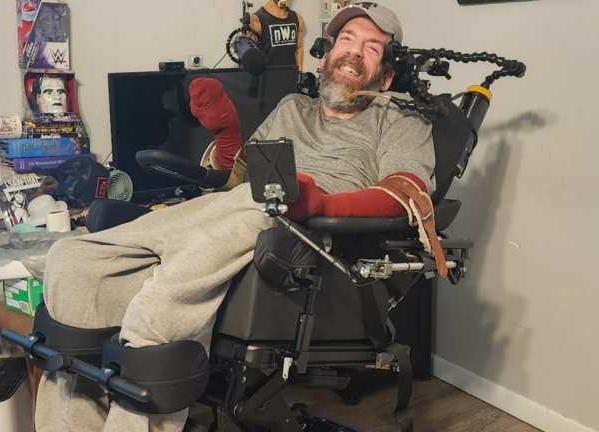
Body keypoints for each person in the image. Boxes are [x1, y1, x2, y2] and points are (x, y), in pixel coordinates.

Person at [35, 3, 435, 432]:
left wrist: (321, 203)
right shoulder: (293, 107)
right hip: (234, 206)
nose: (354, 52)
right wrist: (226, 131)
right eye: (346, 40)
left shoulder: (400, 118)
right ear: (326, 55)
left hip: (301, 230)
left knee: (159, 306)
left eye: (372, 47)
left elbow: (405, 192)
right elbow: (238, 178)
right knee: (72, 262)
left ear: (387, 74)